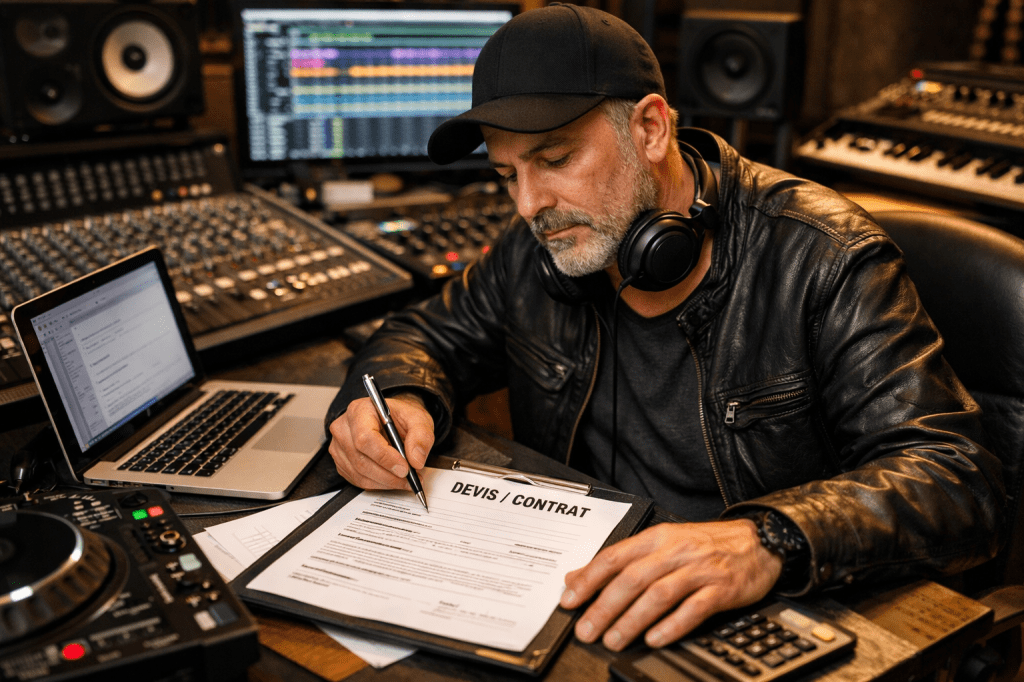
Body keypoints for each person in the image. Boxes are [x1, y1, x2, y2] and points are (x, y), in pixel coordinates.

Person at [325, 2, 1004, 653]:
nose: (530, 204)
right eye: (508, 174)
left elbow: (955, 480)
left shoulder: (824, 256)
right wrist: (396, 397)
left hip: (763, 613)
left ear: (650, 129)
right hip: (582, 597)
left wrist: (768, 539)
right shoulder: (536, 247)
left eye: (556, 159)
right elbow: (424, 334)